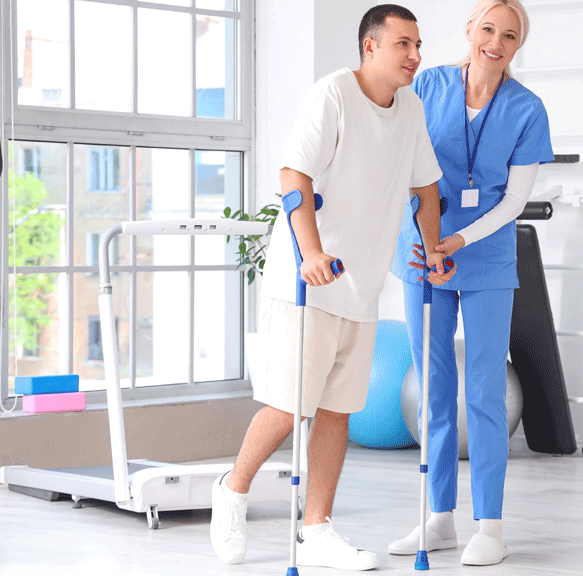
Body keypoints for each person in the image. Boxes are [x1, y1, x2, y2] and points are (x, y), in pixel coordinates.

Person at [209, 4, 454, 571]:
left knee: (338, 411)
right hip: (307, 280)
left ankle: (315, 528)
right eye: (403, 44)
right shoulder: (333, 96)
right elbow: (294, 177)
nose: (415, 56)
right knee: (290, 406)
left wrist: (435, 248)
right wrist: (311, 253)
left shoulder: (411, 108)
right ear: (371, 47)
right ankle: (233, 490)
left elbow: (427, 189)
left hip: (360, 287)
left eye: (418, 45)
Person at [387, 0, 552, 567]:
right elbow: (396, 165)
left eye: (510, 35)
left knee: (483, 390)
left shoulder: (527, 108)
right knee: (433, 387)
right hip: (419, 252)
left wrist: (455, 242)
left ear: (517, 44)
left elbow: (513, 201)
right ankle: (438, 519)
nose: (496, 42)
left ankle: (490, 525)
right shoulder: (425, 85)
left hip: (482, 260)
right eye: (488, 29)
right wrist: (419, 237)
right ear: (469, 30)